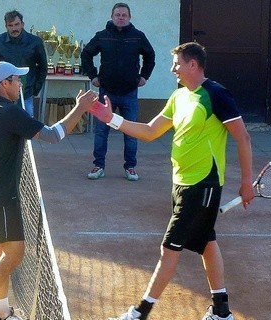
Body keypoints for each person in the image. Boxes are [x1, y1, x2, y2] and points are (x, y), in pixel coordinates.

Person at [90, 42, 255, 320]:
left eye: (177, 64)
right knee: (205, 242)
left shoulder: (215, 95)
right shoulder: (179, 96)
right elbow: (151, 131)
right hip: (181, 182)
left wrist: (247, 181)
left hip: (203, 184)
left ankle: (141, 312)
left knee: (169, 248)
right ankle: (222, 311)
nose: (172, 69)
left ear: (193, 64)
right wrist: (112, 119)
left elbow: (243, 136)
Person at [0, 61, 96, 320]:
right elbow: (53, 135)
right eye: (16, 80)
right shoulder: (11, 112)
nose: (20, 84)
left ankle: (3, 312)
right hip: (3, 194)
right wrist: (80, 108)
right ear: (4, 84)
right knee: (14, 255)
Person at [80, 2, 155, 181]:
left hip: (129, 92)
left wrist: (144, 76)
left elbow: (150, 56)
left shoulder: (138, 37)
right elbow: (86, 54)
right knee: (101, 131)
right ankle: (98, 165)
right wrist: (93, 76)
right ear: (112, 17)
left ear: (129, 18)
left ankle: (130, 167)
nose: (121, 18)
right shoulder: (102, 36)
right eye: (117, 15)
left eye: (124, 15)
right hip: (107, 92)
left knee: (131, 132)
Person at [0, 10, 48, 118]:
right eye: (10, 25)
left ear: (22, 24)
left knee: (27, 126)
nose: (14, 28)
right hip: (2, 92)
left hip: (26, 92)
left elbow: (42, 67)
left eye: (17, 24)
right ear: (6, 26)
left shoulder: (35, 42)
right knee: (2, 124)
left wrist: (35, 90)